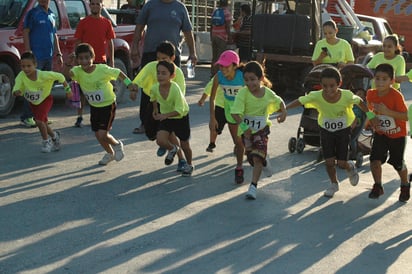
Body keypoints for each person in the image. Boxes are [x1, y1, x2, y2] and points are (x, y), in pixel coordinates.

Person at [286, 66, 372, 198]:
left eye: (332, 86)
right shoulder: (317, 96)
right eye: (325, 86)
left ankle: (350, 166)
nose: (328, 89)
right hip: (326, 130)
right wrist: (284, 109)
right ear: (321, 85)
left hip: (343, 131)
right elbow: (300, 100)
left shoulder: (347, 96)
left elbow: (360, 102)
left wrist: (371, 117)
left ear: (339, 84)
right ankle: (333, 184)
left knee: (341, 163)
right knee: (329, 162)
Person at [130, 0, 197, 134]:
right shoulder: (150, 5)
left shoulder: (180, 7)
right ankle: (145, 123)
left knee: (172, 90)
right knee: (148, 90)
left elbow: (188, 32)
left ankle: (171, 124)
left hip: (172, 56)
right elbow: (139, 27)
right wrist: (134, 47)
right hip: (151, 53)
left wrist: (193, 53)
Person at [69, 43, 134, 165]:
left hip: (108, 105)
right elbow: (69, 75)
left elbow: (119, 72)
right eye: (81, 58)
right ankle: (109, 153)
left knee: (102, 133)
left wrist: (129, 84)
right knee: (98, 135)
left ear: (92, 57)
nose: (84, 61)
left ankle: (117, 144)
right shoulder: (77, 71)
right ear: (77, 59)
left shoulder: (102, 69)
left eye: (87, 58)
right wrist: (69, 62)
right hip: (94, 106)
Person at [231, 61, 287, 199]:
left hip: (262, 130)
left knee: (256, 158)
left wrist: (283, 112)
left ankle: (253, 187)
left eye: (253, 79)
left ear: (261, 78)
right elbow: (235, 113)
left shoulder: (268, 93)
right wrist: (245, 127)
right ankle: (265, 162)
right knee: (251, 157)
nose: (250, 83)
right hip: (247, 132)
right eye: (246, 80)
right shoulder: (243, 93)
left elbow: (279, 101)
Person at [130, 41, 188, 172]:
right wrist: (133, 90)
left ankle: (181, 160)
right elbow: (137, 81)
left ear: (173, 58)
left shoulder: (177, 74)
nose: (161, 62)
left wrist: (172, 113)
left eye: (164, 59)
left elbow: (180, 97)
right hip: (153, 102)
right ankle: (164, 142)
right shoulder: (151, 67)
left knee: (170, 133)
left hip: (169, 107)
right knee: (151, 133)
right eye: (158, 58)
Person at [366, 64, 410, 202]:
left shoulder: (396, 96)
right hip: (381, 134)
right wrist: (372, 119)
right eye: (377, 78)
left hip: (397, 135)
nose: (380, 82)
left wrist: (387, 112)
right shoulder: (371, 94)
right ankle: (378, 186)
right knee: (374, 160)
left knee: (398, 164)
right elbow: (368, 109)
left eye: (384, 79)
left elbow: (406, 116)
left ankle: (405, 184)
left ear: (392, 81)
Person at [12, 52, 72, 153]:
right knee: (42, 123)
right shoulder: (21, 76)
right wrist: (15, 92)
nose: (26, 69)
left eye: (29, 66)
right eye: (23, 66)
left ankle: (46, 141)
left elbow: (60, 77)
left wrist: (68, 90)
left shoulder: (43, 75)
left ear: (35, 65)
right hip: (34, 102)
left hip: (45, 99)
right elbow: (16, 86)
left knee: (39, 121)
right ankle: (54, 136)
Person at [73, 0, 116, 127]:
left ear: (102, 6)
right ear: (89, 5)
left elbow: (110, 42)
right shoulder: (83, 22)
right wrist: (77, 59)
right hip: (85, 61)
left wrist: (111, 60)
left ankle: (101, 116)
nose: (95, 6)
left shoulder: (106, 22)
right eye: (93, 4)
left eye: (98, 4)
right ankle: (79, 116)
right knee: (82, 91)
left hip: (100, 62)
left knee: (99, 89)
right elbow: (78, 42)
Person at [22, 0, 63, 127]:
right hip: (36, 57)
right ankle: (27, 117)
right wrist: (29, 53)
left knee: (45, 87)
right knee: (31, 86)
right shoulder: (32, 13)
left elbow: (54, 35)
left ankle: (41, 116)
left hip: (48, 57)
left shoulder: (52, 15)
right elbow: (26, 32)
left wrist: (59, 53)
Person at [150, 61, 194, 176]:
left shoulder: (175, 89)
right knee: (160, 140)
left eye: (164, 73)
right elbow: (153, 98)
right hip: (167, 118)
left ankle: (189, 165)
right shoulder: (155, 87)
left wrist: (164, 115)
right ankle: (173, 148)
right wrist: (155, 109)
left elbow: (179, 110)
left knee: (185, 145)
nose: (160, 76)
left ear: (172, 76)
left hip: (181, 117)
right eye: (158, 73)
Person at [209, 50, 245, 184]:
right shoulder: (219, 77)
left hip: (245, 109)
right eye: (221, 65)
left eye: (226, 66)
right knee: (238, 142)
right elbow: (212, 98)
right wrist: (212, 118)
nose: (223, 69)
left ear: (235, 66)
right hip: (230, 110)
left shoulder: (242, 76)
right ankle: (239, 167)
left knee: (247, 140)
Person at [198, 78, 225, 152]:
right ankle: (212, 143)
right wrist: (203, 99)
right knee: (214, 126)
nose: (224, 69)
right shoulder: (219, 76)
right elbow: (209, 87)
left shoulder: (240, 74)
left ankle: (240, 146)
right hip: (221, 106)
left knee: (239, 129)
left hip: (235, 107)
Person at [210, 0, 233, 76]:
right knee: (221, 58)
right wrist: (230, 38)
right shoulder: (227, 13)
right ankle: (219, 75)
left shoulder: (215, 12)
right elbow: (227, 27)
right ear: (227, 3)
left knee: (214, 57)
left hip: (214, 36)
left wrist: (211, 36)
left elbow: (211, 25)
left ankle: (213, 73)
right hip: (222, 37)